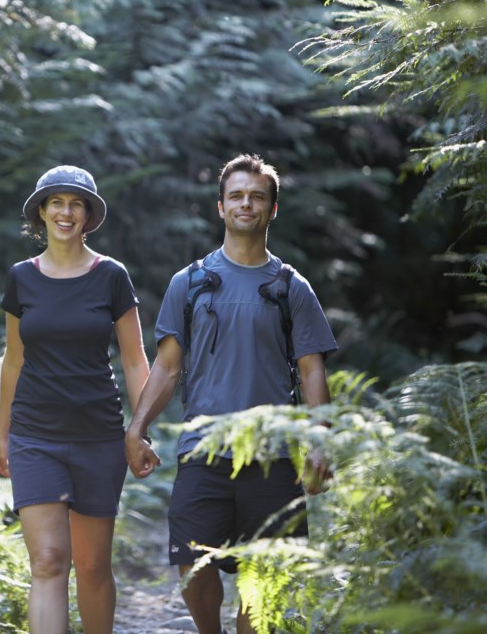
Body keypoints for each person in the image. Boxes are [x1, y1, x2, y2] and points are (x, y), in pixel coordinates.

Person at [124, 153, 338, 634]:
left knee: (265, 581)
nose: (246, 204)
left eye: (257, 197)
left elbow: (312, 371)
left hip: (274, 456)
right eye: (237, 196)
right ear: (220, 207)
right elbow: (167, 366)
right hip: (203, 450)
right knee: (193, 567)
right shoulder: (190, 283)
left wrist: (323, 440)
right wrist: (137, 427)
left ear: (272, 209)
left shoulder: (292, 288)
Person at [0, 165, 150, 634]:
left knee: (93, 567)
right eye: (57, 202)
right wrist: (2, 435)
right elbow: (13, 361)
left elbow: (135, 361)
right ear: (41, 212)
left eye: (76, 203)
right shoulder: (22, 278)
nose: (66, 211)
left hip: (98, 438)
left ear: (88, 215)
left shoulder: (111, 277)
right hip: (34, 437)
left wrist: (140, 429)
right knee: (47, 561)